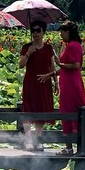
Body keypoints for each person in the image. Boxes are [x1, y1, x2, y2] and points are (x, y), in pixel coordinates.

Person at [51, 20, 85, 155]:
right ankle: (77, 146)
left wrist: (59, 63)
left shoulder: (72, 46)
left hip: (70, 85)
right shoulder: (76, 45)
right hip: (72, 82)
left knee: (67, 111)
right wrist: (53, 73)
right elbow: (69, 68)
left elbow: (75, 65)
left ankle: (69, 147)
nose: (61, 34)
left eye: (62, 31)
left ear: (68, 32)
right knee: (73, 112)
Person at [18, 20, 56, 150]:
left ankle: (37, 140)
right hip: (30, 82)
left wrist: (56, 83)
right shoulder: (26, 47)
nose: (35, 33)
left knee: (42, 110)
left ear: (44, 32)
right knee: (28, 110)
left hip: (44, 83)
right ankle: (28, 140)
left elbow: (52, 66)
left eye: (38, 30)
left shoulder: (48, 48)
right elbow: (20, 64)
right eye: (33, 30)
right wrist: (28, 53)